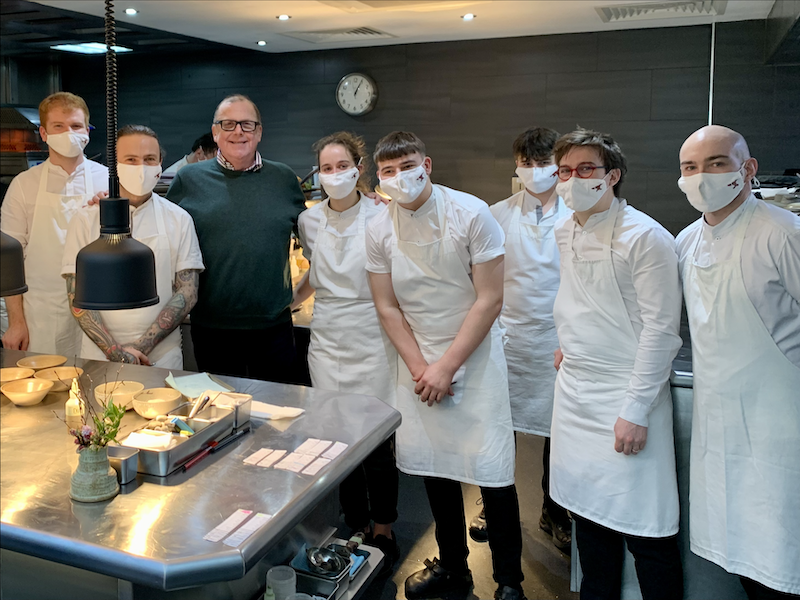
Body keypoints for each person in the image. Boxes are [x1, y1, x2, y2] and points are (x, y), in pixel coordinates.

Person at [366, 131, 525, 600]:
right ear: (379, 179)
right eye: (389, 171)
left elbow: (490, 298)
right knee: (436, 470)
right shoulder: (378, 227)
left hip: (474, 359)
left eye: (408, 165)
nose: (401, 178)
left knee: (493, 474)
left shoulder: (471, 212)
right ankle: (454, 569)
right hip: (417, 359)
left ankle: (509, 582)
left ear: (428, 164)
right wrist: (422, 368)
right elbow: (388, 307)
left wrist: (447, 366)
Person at [550, 128, 683, 599]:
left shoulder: (645, 237)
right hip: (576, 392)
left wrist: (635, 409)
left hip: (627, 396)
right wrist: (572, 339)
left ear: (612, 176)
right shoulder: (565, 230)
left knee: (646, 529)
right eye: (565, 171)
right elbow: (579, 297)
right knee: (588, 521)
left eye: (586, 169)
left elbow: (661, 331)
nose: (572, 179)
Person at [676, 125, 800, 600]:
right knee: (741, 544)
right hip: (721, 420)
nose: (701, 177)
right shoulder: (686, 242)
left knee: (782, 546)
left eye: (716, 164)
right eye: (690, 168)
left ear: (747, 169)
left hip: (780, 425)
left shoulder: (782, 233)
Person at [292, 131, 399, 573]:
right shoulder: (309, 220)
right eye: (326, 168)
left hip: (373, 334)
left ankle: (385, 526)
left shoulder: (384, 214)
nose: (334, 175)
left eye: (342, 166)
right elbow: (316, 273)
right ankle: (353, 521)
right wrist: (289, 301)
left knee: (375, 437)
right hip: (327, 334)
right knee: (336, 437)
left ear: (360, 169)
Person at [468, 127, 573, 553]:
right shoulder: (497, 214)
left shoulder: (577, 213)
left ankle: (555, 509)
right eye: (526, 163)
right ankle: (493, 503)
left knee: (558, 432)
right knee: (497, 425)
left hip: (559, 338)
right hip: (509, 335)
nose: (534, 171)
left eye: (543, 162)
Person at [166, 94, 306, 383]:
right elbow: (161, 230)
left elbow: (319, 232)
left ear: (259, 132)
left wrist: (361, 199)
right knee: (219, 414)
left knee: (280, 415)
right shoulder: (188, 180)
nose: (238, 131)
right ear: (215, 132)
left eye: (247, 124)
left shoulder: (284, 179)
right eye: (228, 124)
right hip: (211, 329)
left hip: (274, 330)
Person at [62, 125, 203, 368]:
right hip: (99, 354)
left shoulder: (179, 219)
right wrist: (114, 350)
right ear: (114, 165)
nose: (141, 168)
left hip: (160, 355)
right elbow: (76, 295)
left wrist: (140, 348)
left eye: (149, 159)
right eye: (131, 160)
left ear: (160, 163)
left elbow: (187, 292)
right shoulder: (85, 219)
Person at [1, 92, 108, 355]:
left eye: (75, 126)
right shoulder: (24, 185)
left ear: (87, 131)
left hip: (101, 308)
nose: (68, 133)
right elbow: (9, 259)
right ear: (44, 133)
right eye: (59, 127)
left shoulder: (110, 181)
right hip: (40, 310)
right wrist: (16, 322)